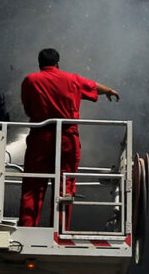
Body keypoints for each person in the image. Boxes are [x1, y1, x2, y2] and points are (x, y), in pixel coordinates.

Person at [18, 47, 120, 228]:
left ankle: (27, 228)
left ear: (40, 64)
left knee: (33, 186)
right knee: (65, 185)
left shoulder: (30, 81)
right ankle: (60, 231)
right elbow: (92, 86)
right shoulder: (72, 79)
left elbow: (28, 109)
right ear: (58, 63)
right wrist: (109, 91)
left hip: (40, 138)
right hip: (67, 139)